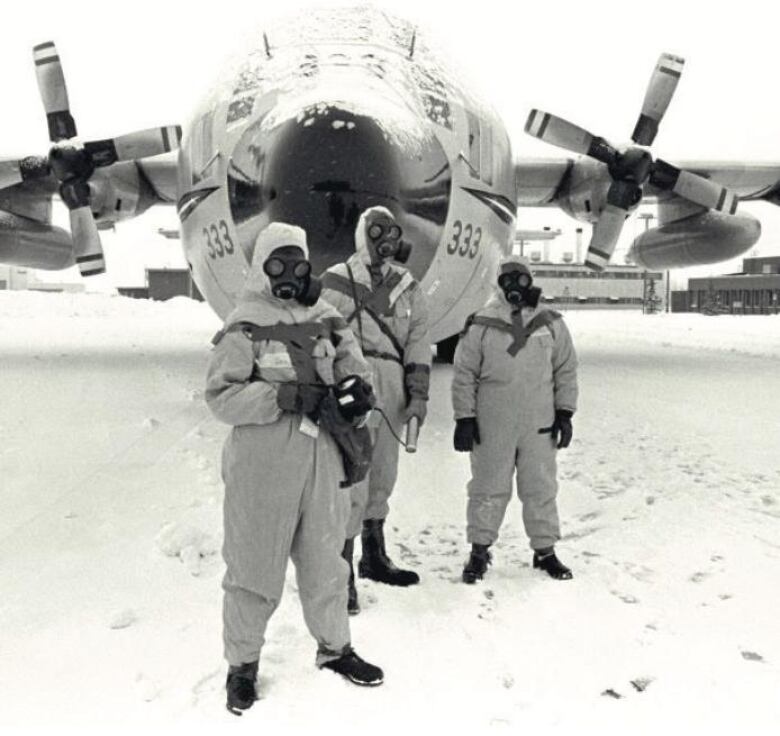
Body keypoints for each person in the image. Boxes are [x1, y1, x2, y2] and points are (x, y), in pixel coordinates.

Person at [206, 222, 384, 715]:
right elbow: (220, 396)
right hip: (263, 462)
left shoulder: (329, 318)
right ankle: (242, 666)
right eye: (277, 263)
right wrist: (279, 395)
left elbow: (357, 372)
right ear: (262, 267)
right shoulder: (245, 322)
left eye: (296, 263)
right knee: (253, 566)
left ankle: (335, 649)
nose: (288, 273)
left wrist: (357, 396)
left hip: (322, 456)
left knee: (327, 560)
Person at [321, 206, 431, 614]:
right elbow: (322, 335)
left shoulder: (408, 286)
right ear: (360, 234)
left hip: (393, 382)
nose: (384, 237)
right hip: (354, 382)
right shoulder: (334, 281)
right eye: (375, 230)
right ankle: (342, 571)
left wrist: (418, 394)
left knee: (384, 472)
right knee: (353, 477)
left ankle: (374, 555)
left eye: (390, 230)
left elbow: (419, 341)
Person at [451, 254, 578, 584]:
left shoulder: (550, 323)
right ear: (498, 282)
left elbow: (566, 369)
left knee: (540, 487)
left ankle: (545, 551)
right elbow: (464, 373)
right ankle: (480, 550)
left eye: (521, 278)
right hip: (493, 422)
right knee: (487, 488)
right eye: (507, 278)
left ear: (530, 280)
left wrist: (565, 413)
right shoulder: (481, 323)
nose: (514, 285)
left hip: (539, 423)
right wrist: (464, 417)